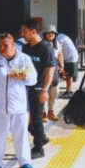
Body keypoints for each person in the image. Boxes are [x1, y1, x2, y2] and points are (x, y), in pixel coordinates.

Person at [0, 33, 37, 168]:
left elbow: (33, 79)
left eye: (5, 45)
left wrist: (24, 77)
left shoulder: (24, 59)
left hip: (19, 105)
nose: (2, 48)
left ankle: (25, 162)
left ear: (13, 45)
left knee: (21, 136)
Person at [21, 19, 56, 159]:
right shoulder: (26, 47)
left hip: (39, 86)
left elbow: (50, 69)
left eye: (24, 31)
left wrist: (45, 89)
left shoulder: (45, 47)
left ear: (33, 31)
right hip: (26, 86)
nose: (22, 34)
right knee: (25, 118)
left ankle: (39, 148)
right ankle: (41, 136)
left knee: (36, 117)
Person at [43, 26, 64, 121]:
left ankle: (51, 111)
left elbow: (60, 54)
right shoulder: (42, 44)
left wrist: (62, 65)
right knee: (44, 91)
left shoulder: (57, 44)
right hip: (44, 69)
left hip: (55, 68)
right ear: (45, 34)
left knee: (55, 91)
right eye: (49, 33)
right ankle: (43, 113)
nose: (51, 35)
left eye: (53, 33)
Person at [56, 30, 79, 98]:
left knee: (69, 75)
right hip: (68, 57)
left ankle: (69, 92)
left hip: (71, 58)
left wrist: (60, 62)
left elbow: (59, 50)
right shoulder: (61, 36)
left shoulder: (59, 38)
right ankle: (68, 90)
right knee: (68, 75)